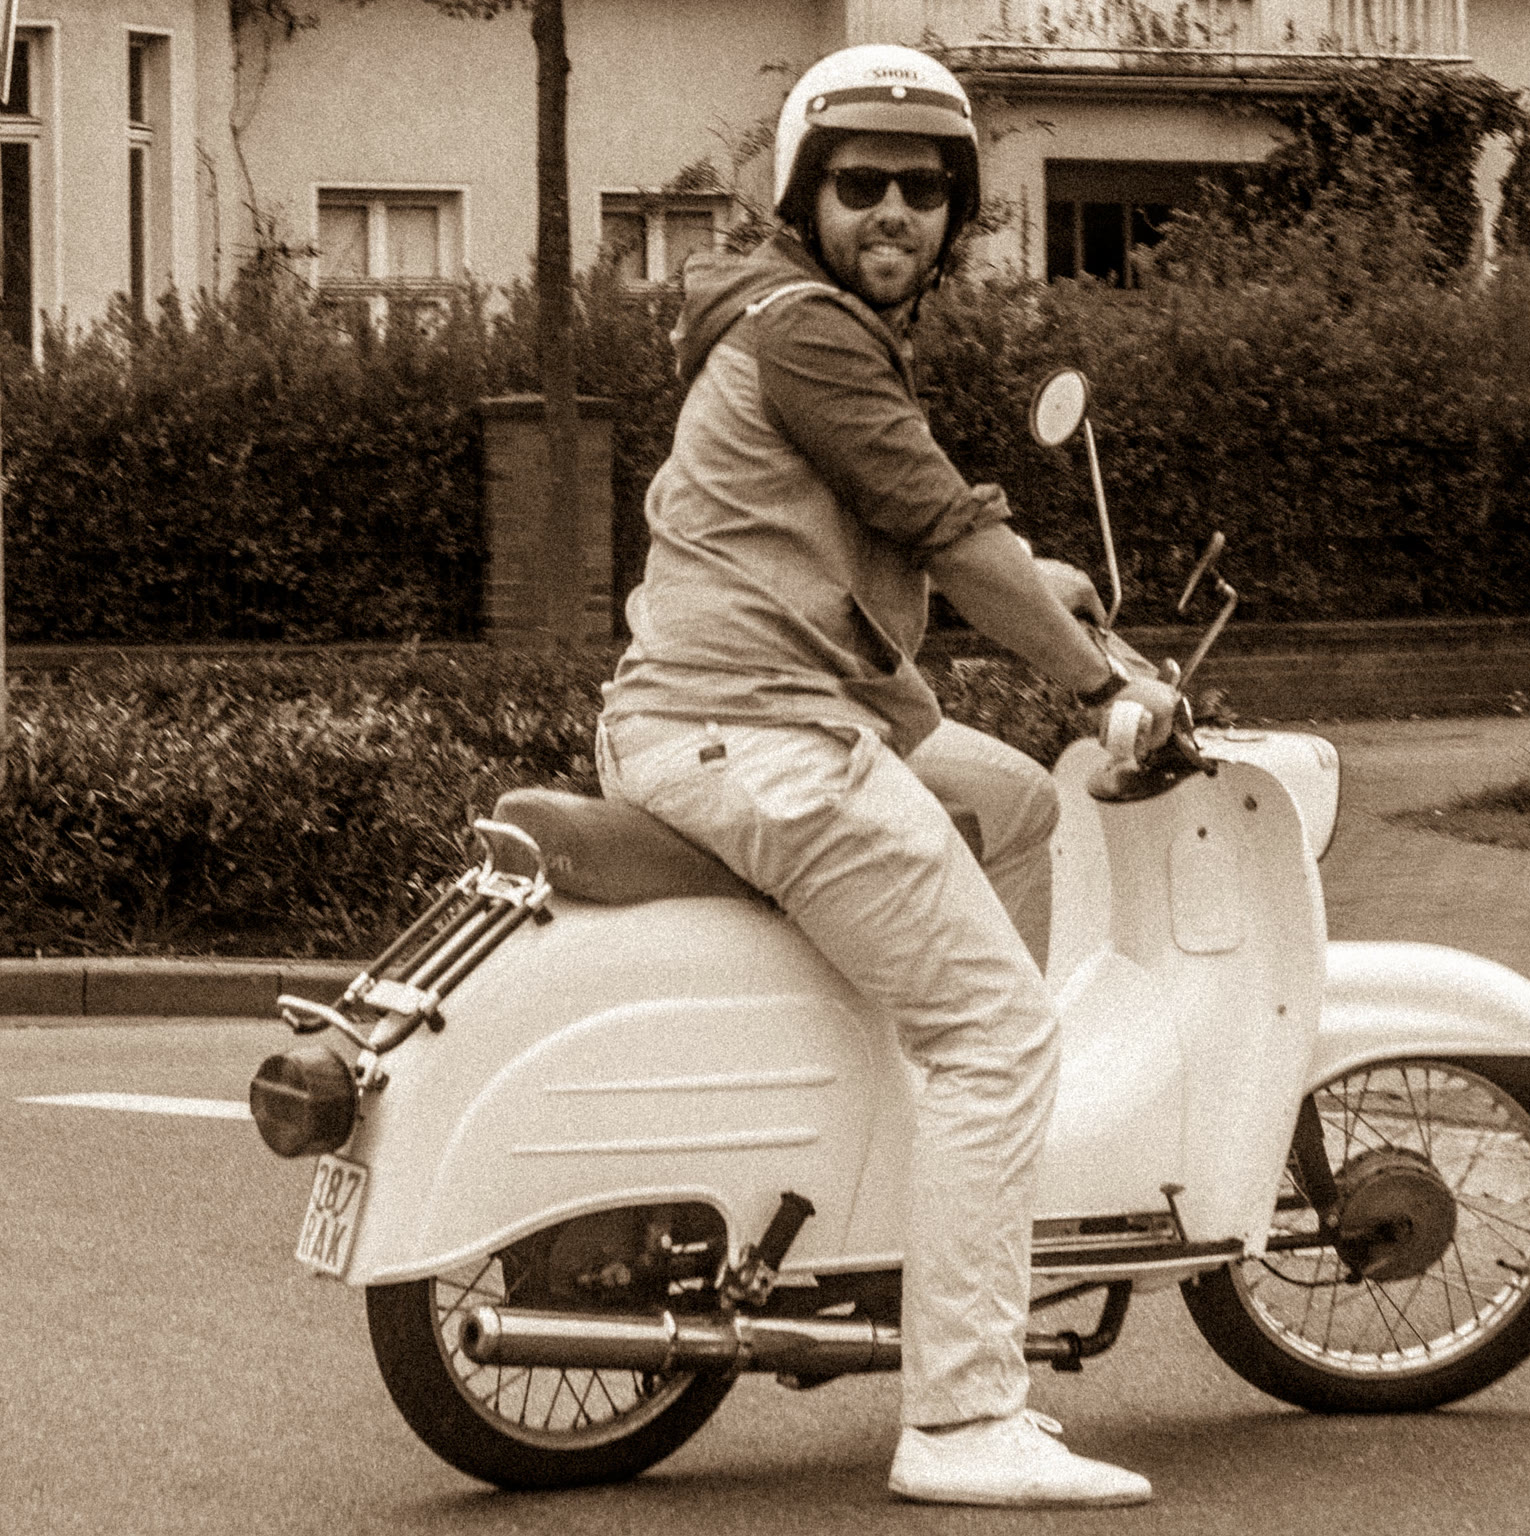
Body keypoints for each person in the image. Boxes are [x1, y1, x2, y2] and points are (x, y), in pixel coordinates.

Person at [594, 43, 1178, 1508]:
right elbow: (941, 529)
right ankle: (964, 1415)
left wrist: (1035, 583)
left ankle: (953, 1160)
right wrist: (1102, 688)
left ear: (955, 211)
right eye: (860, 185)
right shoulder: (809, 329)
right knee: (1001, 1038)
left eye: (924, 190)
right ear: (809, 195)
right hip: (763, 734)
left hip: (724, 711)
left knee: (1015, 802)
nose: (894, 213)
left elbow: (883, 524)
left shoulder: (782, 318)